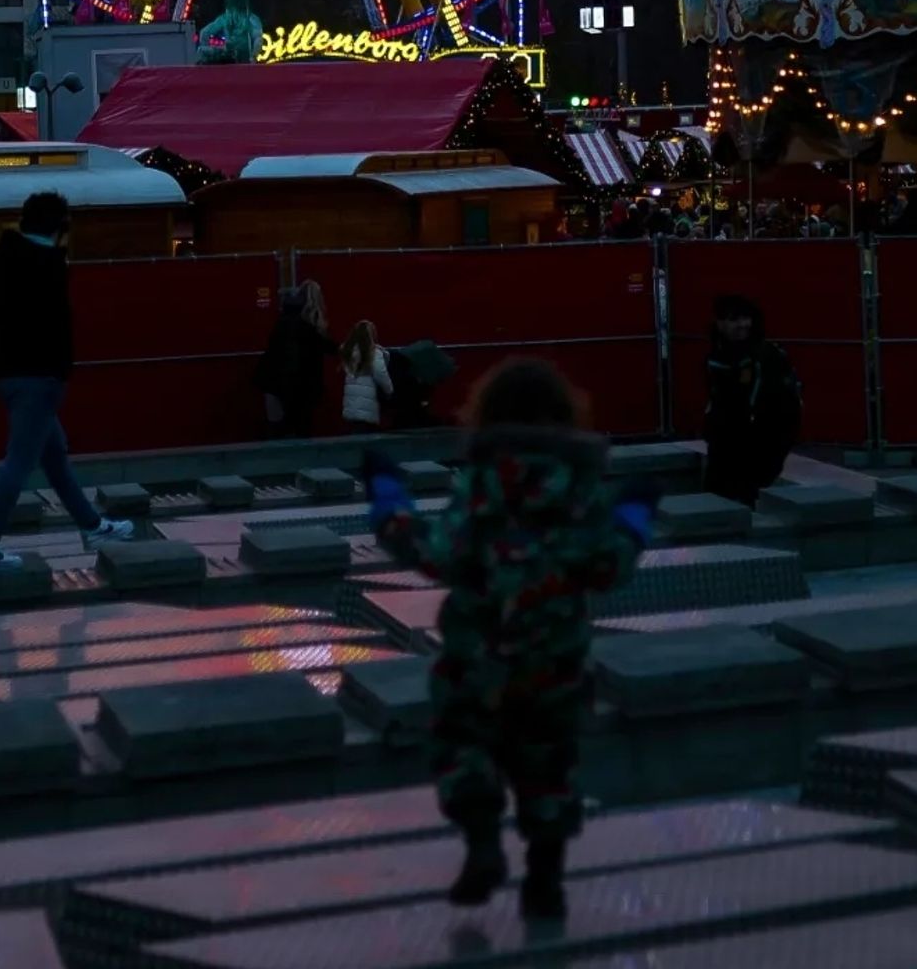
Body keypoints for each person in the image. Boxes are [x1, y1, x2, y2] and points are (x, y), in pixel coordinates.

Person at [367, 359, 655, 915]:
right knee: (547, 763)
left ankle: (482, 845)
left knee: (464, 747)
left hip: (478, 656)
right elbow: (606, 567)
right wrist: (633, 521)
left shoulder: (480, 483)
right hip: (555, 659)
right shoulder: (581, 488)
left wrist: (388, 504)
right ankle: (544, 880)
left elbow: (437, 554)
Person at [0, 191, 134, 569]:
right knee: (20, 462)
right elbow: (56, 325)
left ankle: (92, 525)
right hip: (39, 377)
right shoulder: (47, 264)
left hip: (10, 373)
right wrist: (57, 369)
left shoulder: (0, 261)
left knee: (55, 456)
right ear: (59, 226)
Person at [702, 294, 802, 506]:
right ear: (719, 323)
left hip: (759, 444)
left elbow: (788, 408)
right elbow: (715, 398)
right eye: (733, 319)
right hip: (724, 444)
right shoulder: (715, 355)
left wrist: (771, 449)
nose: (742, 325)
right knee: (715, 499)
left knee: (746, 499)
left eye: (745, 318)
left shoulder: (766, 356)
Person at [254, 281, 333, 438]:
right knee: (299, 430)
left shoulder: (286, 319)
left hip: (275, 382)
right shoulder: (306, 325)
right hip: (294, 386)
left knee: (279, 431)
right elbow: (323, 347)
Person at [341, 319, 391, 432]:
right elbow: (381, 375)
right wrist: (389, 390)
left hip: (350, 407)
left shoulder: (348, 352)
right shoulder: (374, 353)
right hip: (368, 407)